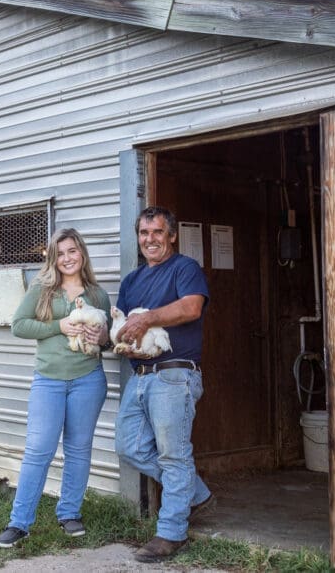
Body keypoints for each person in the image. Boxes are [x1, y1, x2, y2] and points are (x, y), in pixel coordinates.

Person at [0, 228, 111, 548]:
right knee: (39, 449)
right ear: (53, 258)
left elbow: (109, 339)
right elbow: (18, 325)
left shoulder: (98, 294)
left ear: (82, 253)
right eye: (60, 253)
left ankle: (69, 513)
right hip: (49, 380)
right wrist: (58, 326)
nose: (67, 258)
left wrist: (102, 338)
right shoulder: (43, 289)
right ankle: (19, 523)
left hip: (88, 379)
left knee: (78, 449)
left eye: (72, 251)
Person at [112, 206, 213, 563]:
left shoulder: (185, 268)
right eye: (144, 233)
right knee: (129, 447)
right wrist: (120, 340)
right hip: (140, 375)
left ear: (171, 236)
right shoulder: (131, 281)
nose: (150, 239)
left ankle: (171, 533)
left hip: (174, 374)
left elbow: (191, 308)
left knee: (173, 455)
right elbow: (123, 325)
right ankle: (194, 492)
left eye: (157, 232)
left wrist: (148, 319)